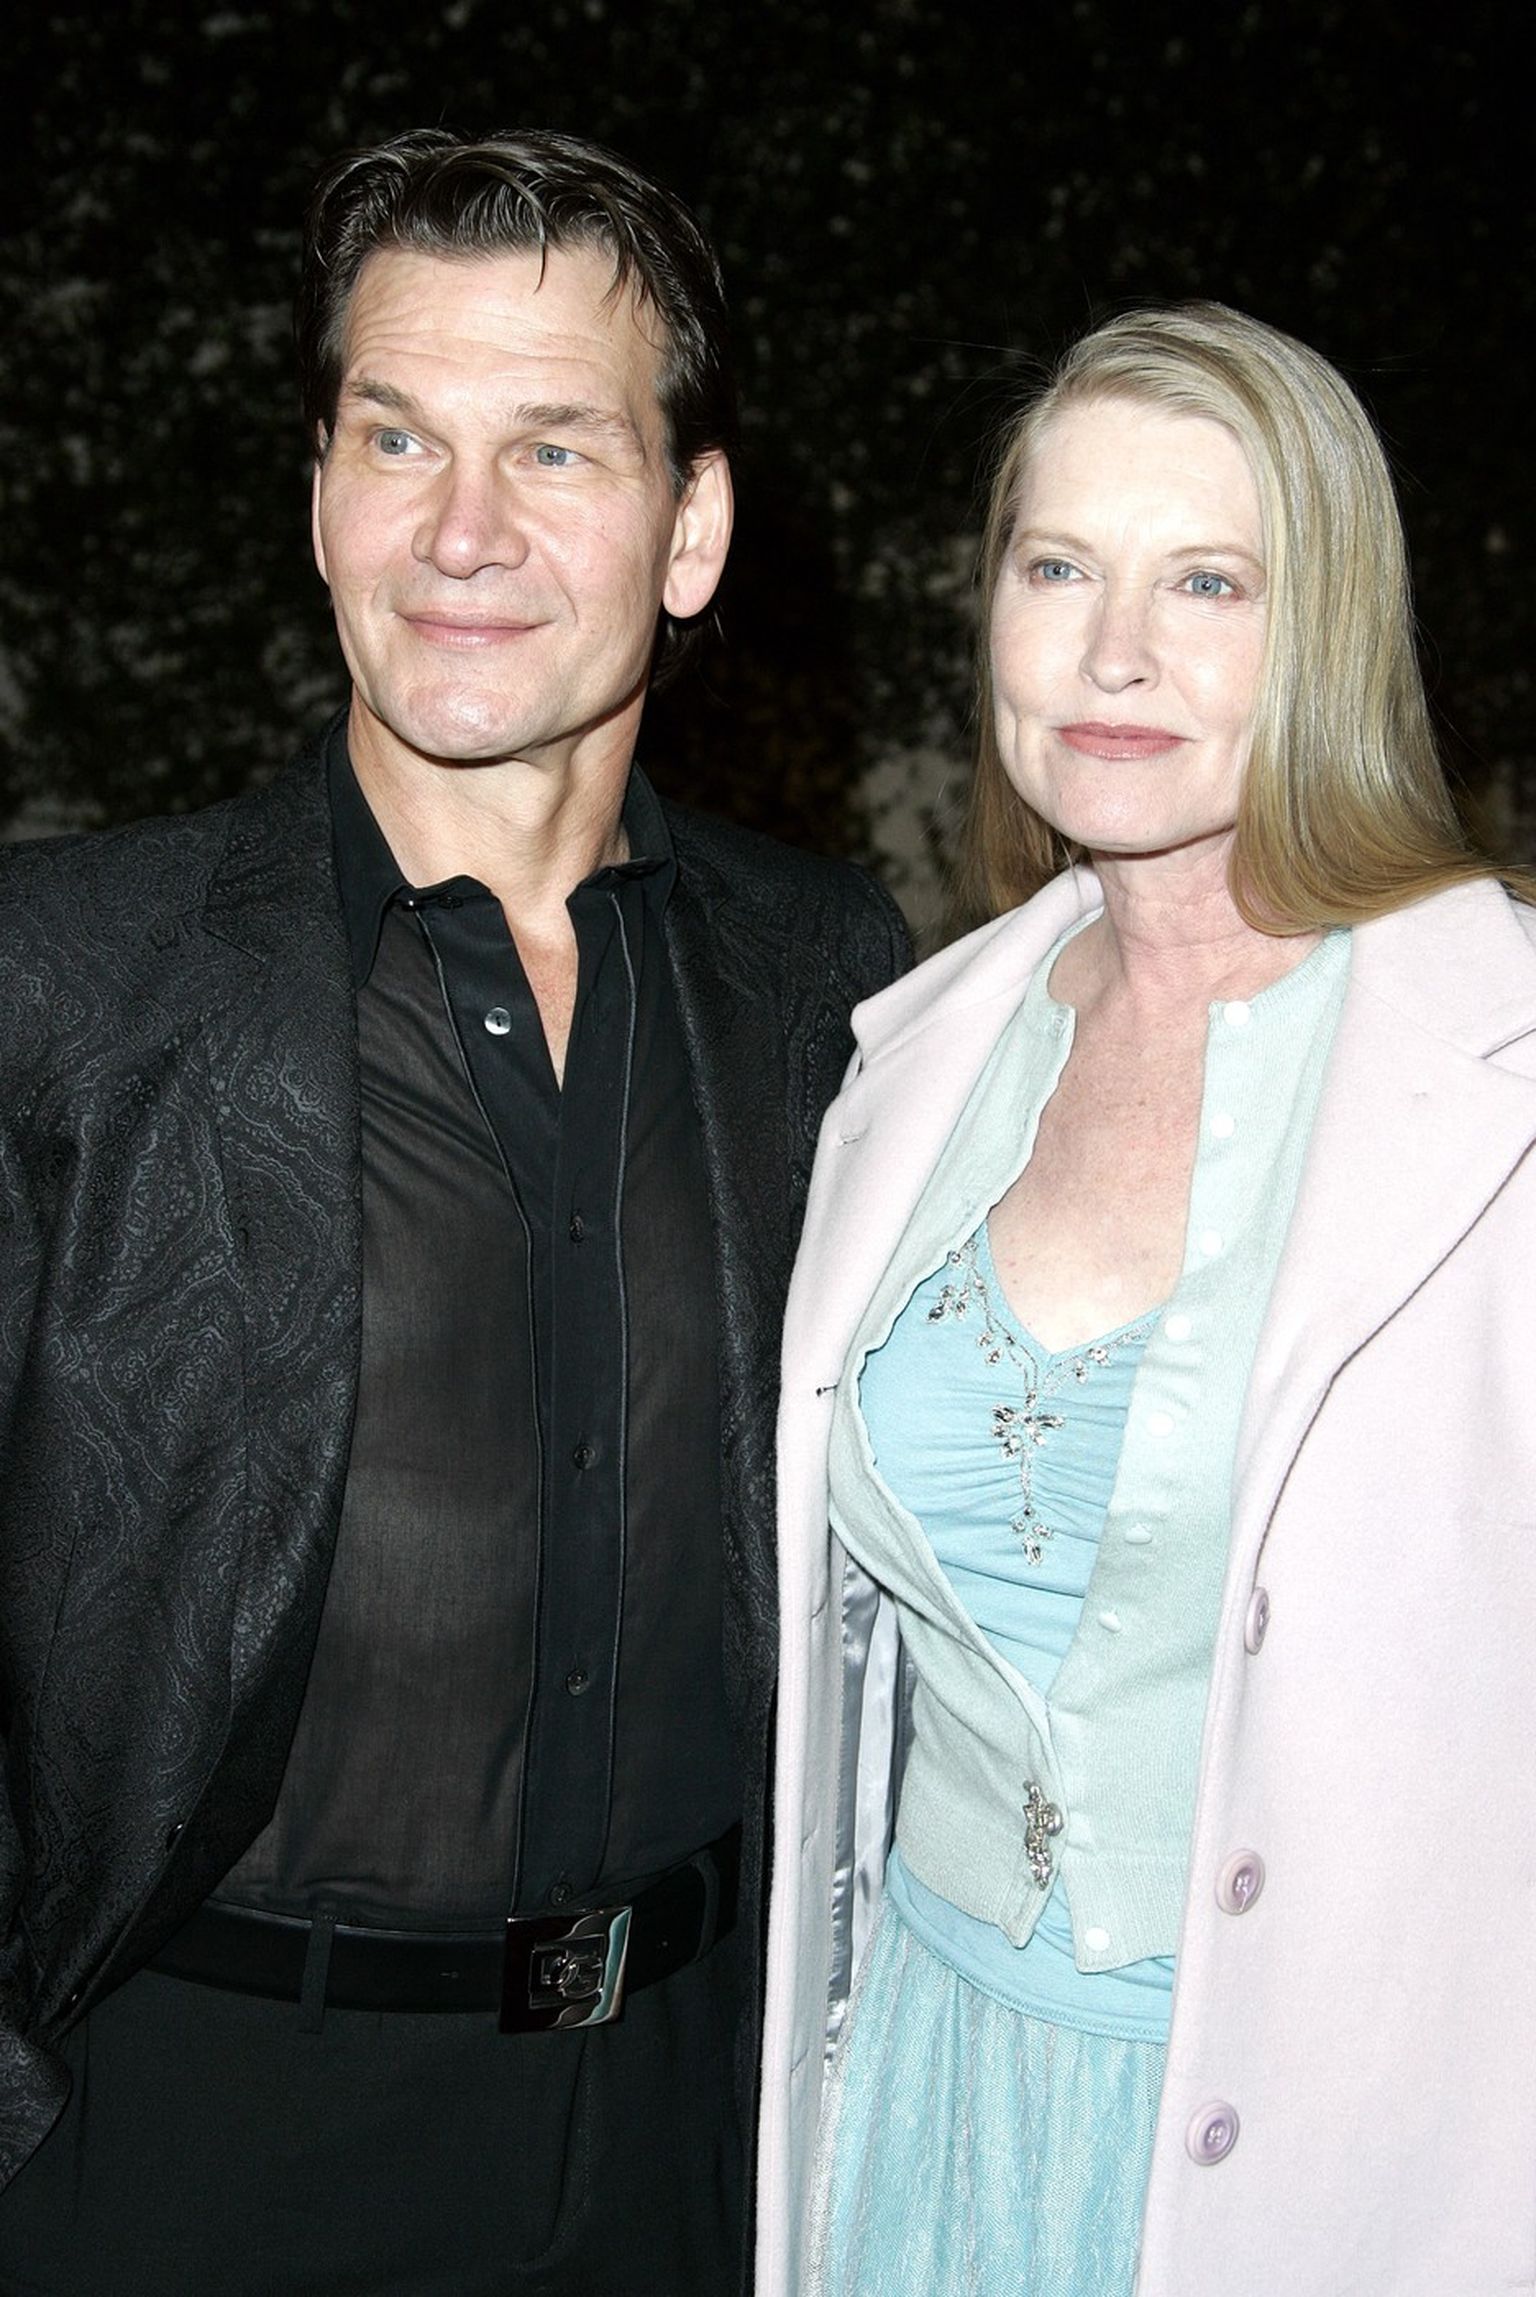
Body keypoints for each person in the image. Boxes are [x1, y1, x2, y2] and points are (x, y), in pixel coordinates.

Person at [0, 128, 907, 2296]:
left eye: (556, 449)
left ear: (692, 529)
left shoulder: (840, 988)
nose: (461, 529)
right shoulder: (64, 983)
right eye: (396, 438)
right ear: (321, 494)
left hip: (693, 2137)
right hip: (190, 2142)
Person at [756, 299, 1536, 2297]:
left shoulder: (1505, 1079)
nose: (1116, 650)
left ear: (1332, 633)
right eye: (1058, 569)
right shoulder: (909, 1061)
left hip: (1348, 2156)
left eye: (1208, 581)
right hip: (923, 2103)